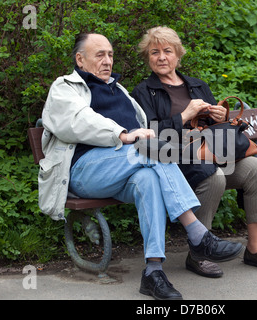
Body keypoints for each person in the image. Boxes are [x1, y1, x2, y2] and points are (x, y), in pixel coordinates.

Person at [39, 33, 243, 300]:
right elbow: (79, 121)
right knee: (152, 152)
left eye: (110, 54)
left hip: (126, 166)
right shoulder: (65, 87)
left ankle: (153, 272)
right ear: (80, 59)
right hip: (84, 171)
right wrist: (124, 134)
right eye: (99, 54)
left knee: (149, 179)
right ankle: (198, 234)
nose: (107, 61)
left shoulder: (118, 89)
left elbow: (146, 131)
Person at [132, 26, 257, 278]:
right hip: (177, 163)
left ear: (178, 56)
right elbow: (149, 135)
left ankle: (255, 248)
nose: (161, 57)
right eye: (154, 52)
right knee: (214, 176)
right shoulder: (143, 92)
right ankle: (199, 253)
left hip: (212, 153)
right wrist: (184, 116)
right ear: (148, 58)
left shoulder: (197, 86)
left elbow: (218, 129)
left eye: (167, 51)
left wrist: (222, 116)